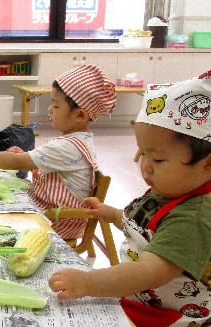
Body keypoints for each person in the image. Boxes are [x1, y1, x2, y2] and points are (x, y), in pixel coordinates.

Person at [49, 71, 211, 327]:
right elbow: (142, 229)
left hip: (166, 318)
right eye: (142, 153)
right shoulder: (168, 190)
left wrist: (88, 282)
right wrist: (111, 213)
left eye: (157, 159)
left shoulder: (193, 218)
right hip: (137, 300)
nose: (145, 167)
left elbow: (148, 272)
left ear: (208, 165)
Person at [0, 64, 117, 240]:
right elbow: (52, 170)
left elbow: (16, 163)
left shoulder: (67, 147)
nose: (49, 110)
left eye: (56, 106)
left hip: (57, 220)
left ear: (80, 115)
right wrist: (25, 157)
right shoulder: (78, 140)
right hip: (52, 209)